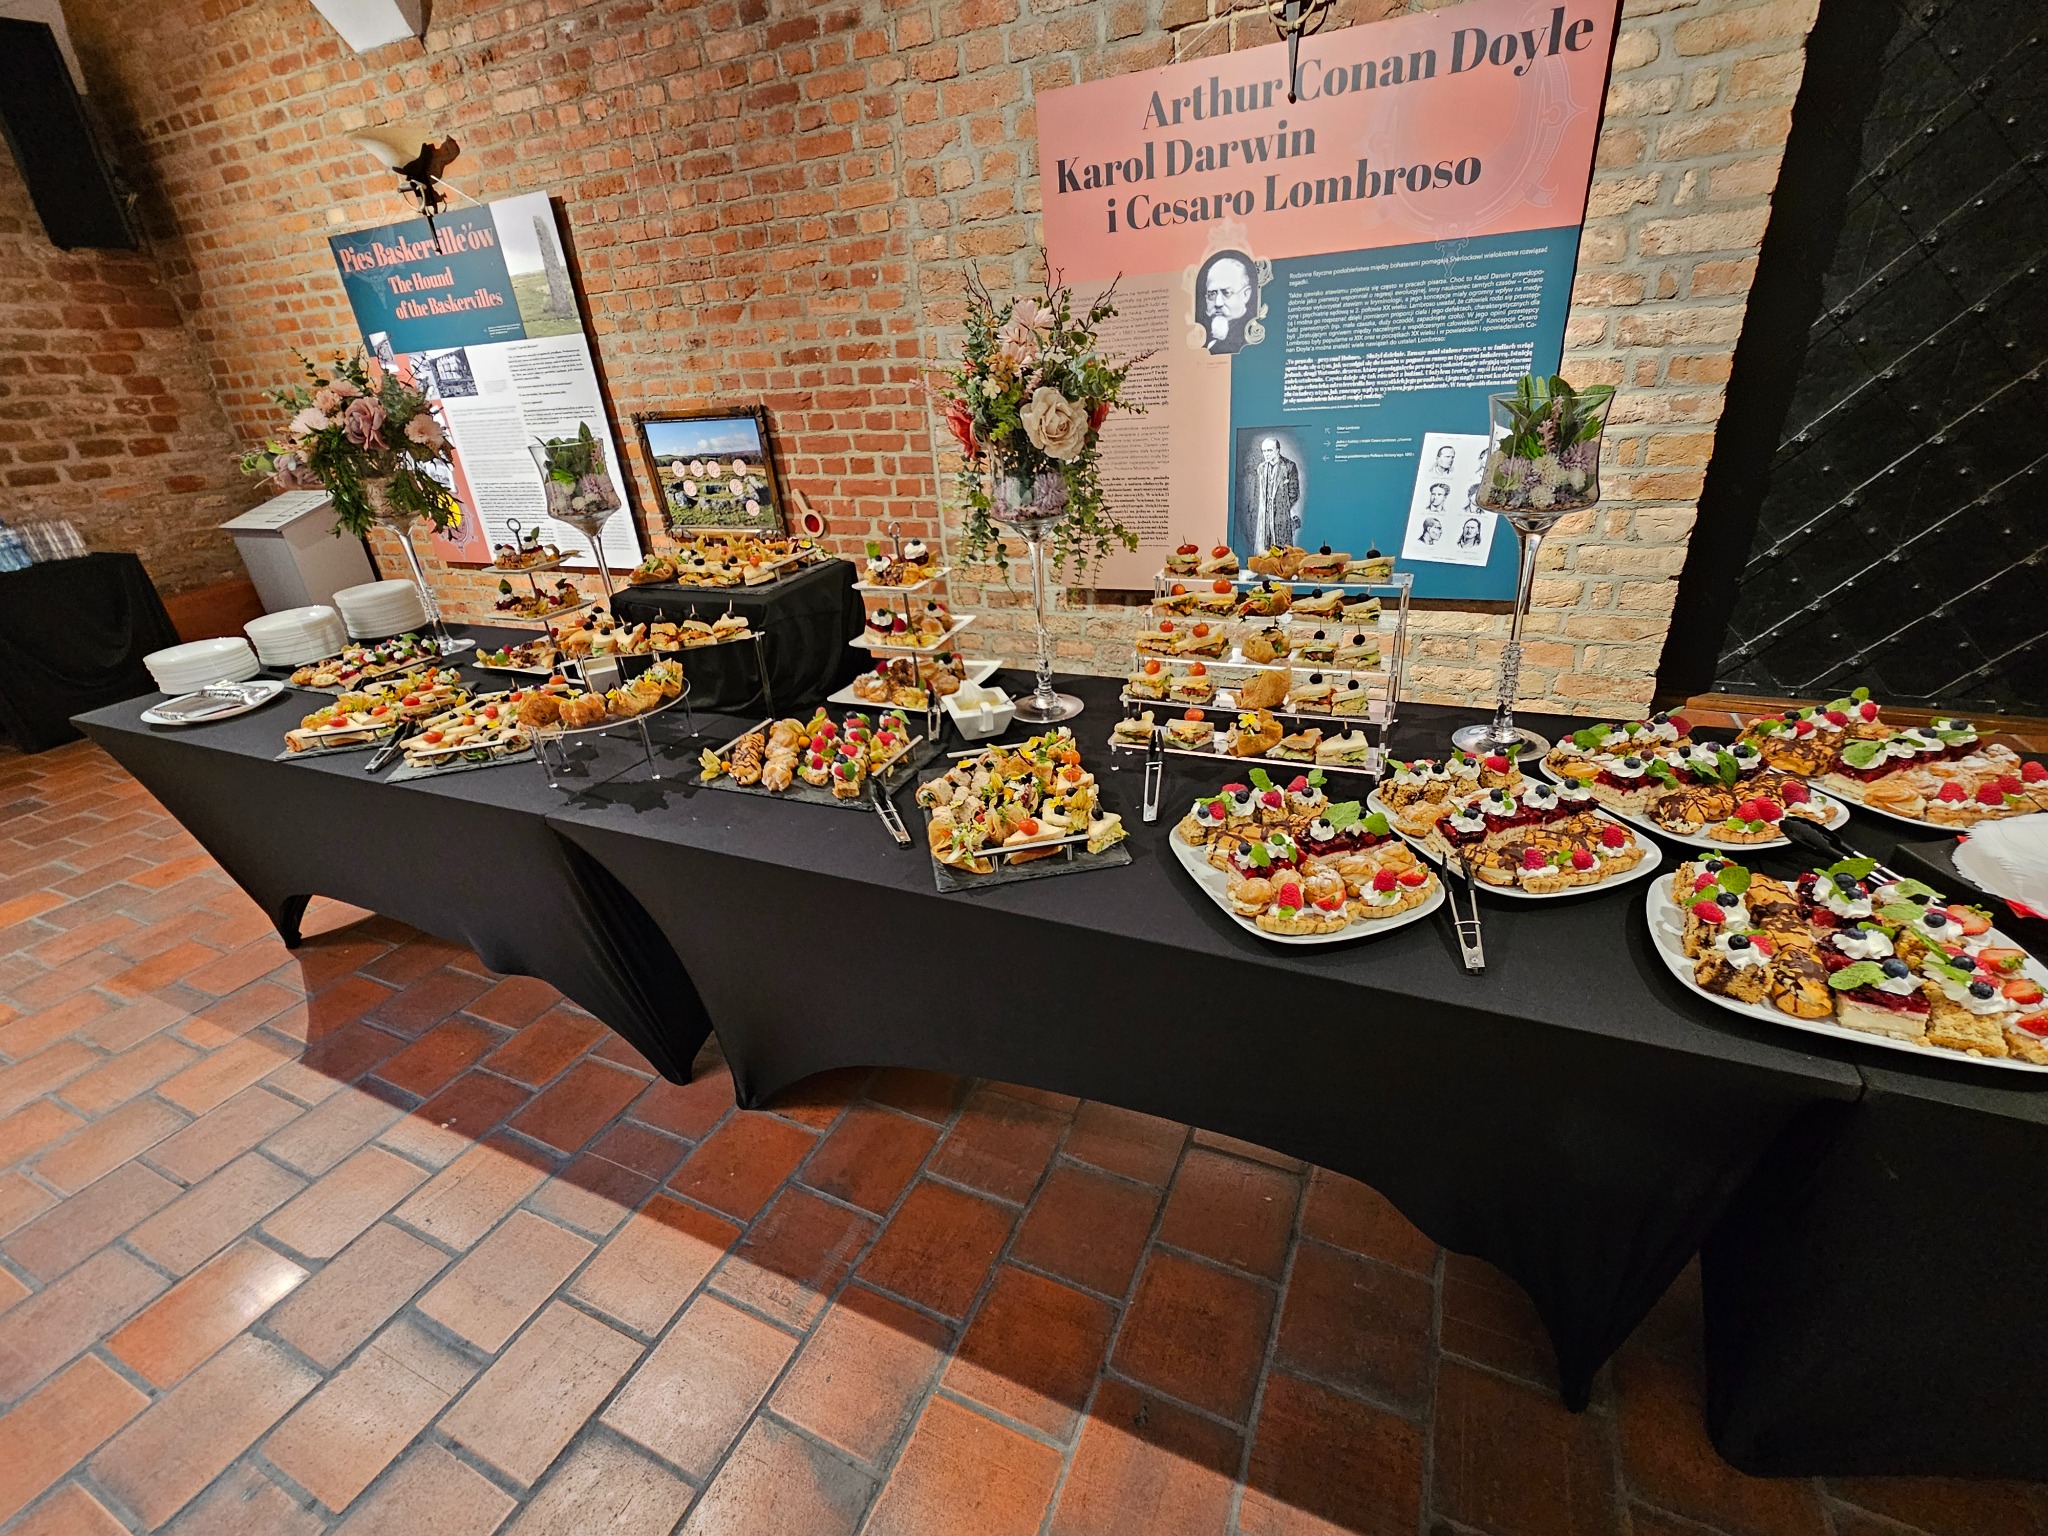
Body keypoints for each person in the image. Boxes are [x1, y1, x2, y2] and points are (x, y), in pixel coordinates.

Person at [1240, 436, 1301, 551]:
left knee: (1283, 550)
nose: (1266, 454)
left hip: (1281, 516)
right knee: (1265, 549)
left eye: (1269, 450)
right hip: (1264, 517)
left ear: (1277, 450)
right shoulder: (1261, 468)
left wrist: (1282, 506)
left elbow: (1294, 493)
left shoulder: (1289, 466)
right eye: (1264, 451)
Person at [1198, 253, 1256, 355]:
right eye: (1212, 294)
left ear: (1246, 295)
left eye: (1227, 293)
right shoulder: (1201, 336)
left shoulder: (1249, 338)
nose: (1218, 303)